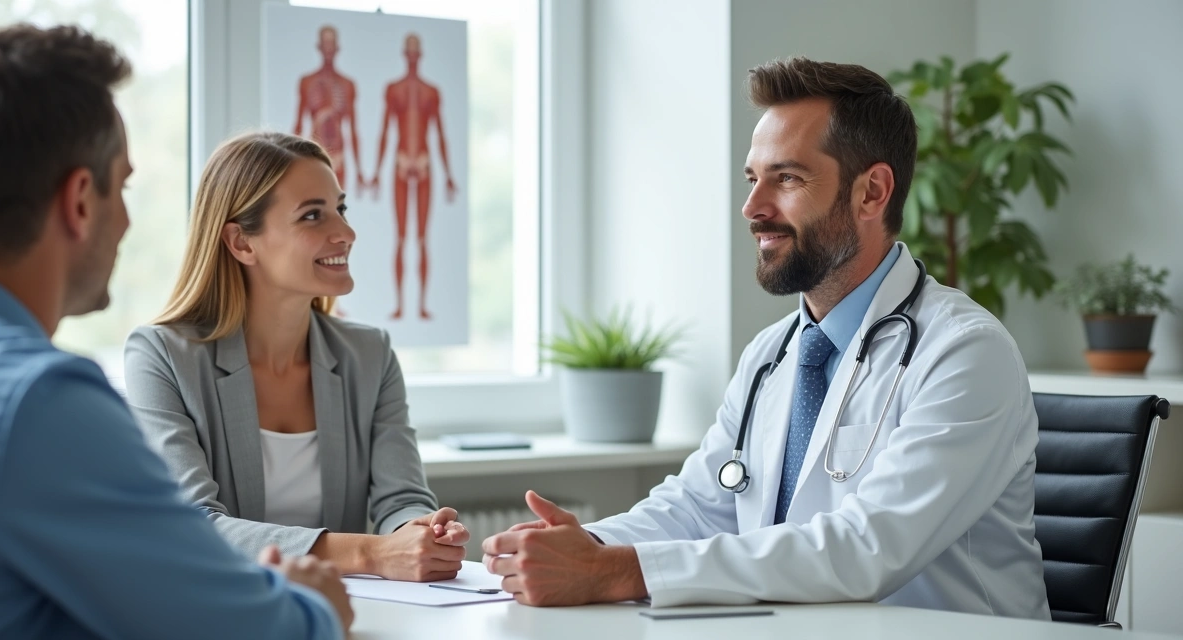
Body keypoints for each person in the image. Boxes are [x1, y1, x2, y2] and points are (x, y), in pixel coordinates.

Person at [482, 57, 1049, 620]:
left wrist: (617, 572)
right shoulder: (773, 355)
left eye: (788, 178)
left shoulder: (965, 352)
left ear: (872, 193)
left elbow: (867, 547)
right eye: (754, 179)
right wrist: (579, 546)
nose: (753, 209)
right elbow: (698, 508)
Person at [0, 24, 351, 638]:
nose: (125, 220)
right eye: (122, 186)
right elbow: (248, 628)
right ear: (80, 201)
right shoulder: (39, 404)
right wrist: (311, 603)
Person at [124, 131, 469, 582]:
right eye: (312, 215)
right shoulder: (160, 357)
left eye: (340, 209)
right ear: (242, 243)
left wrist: (420, 532)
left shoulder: (370, 355)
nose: (345, 233)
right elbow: (192, 526)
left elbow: (400, 498)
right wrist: (373, 554)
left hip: (341, 614)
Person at [366, 32, 457, 320]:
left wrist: (448, 174)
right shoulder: (394, 89)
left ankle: (420, 306)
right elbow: (385, 130)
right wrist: (378, 172)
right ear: (406, 54)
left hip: (425, 164)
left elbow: (440, 133)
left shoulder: (432, 91)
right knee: (402, 237)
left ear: (420, 55)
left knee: (421, 238)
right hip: (401, 164)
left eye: (417, 51)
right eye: (410, 51)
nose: (413, 56)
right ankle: (401, 304)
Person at [294, 25, 362, 191]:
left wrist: (359, 169)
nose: (329, 48)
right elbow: (298, 125)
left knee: (338, 210)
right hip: (313, 156)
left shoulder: (347, 85)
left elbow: (353, 129)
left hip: (338, 158)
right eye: (326, 43)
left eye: (331, 44)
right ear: (319, 46)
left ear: (337, 47)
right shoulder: (307, 82)